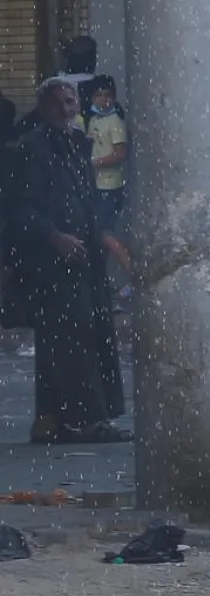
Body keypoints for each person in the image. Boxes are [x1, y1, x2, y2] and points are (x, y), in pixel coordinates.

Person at [7, 79, 128, 444]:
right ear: (44, 108)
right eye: (58, 103)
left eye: (70, 101)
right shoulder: (31, 149)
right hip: (51, 264)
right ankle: (87, 420)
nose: (66, 108)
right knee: (68, 339)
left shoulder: (78, 145)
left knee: (84, 336)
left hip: (85, 259)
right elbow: (19, 207)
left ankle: (55, 420)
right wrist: (54, 236)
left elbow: (85, 197)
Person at [81, 76, 132, 288]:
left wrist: (94, 163)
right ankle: (98, 283)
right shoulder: (93, 120)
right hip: (97, 185)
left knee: (105, 234)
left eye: (108, 95)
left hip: (110, 186)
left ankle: (135, 274)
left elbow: (121, 154)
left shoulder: (115, 122)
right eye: (99, 95)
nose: (103, 100)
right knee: (99, 237)